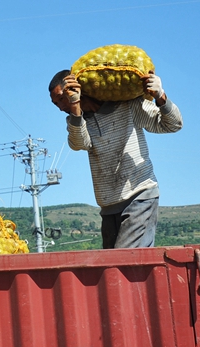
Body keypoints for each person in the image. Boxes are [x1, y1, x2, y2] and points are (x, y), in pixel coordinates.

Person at [49, 69, 183, 249]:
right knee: (114, 267)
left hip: (139, 195)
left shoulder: (128, 106)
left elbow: (173, 124)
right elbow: (78, 143)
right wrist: (75, 108)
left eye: (61, 98)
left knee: (124, 263)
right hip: (108, 205)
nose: (59, 107)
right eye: (55, 103)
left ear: (75, 88)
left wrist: (160, 95)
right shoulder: (78, 120)